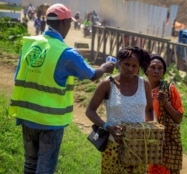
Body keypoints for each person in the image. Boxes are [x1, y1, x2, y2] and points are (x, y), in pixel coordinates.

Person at [8, 3, 114, 174]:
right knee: (45, 168)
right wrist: (104, 67)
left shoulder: (30, 44)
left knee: (30, 164)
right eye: (69, 23)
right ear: (65, 23)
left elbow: (18, 76)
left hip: (26, 115)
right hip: (50, 121)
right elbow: (92, 74)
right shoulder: (66, 53)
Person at [86, 46, 154, 174]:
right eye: (126, 64)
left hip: (138, 147)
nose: (130, 69)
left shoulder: (144, 84)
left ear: (139, 67)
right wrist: (107, 127)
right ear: (119, 63)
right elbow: (90, 111)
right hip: (113, 146)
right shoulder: (107, 84)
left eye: (134, 66)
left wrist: (149, 130)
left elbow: (149, 109)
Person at [145, 54, 184, 174]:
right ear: (146, 69)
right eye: (153, 67)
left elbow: (178, 118)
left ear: (164, 71)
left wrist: (165, 102)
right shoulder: (138, 88)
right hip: (142, 139)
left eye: (160, 68)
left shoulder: (169, 89)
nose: (156, 71)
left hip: (164, 141)